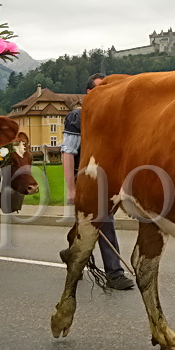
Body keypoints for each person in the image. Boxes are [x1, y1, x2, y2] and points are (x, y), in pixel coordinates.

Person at [61, 73, 136, 290]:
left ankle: (73, 256)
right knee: (104, 221)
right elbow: (68, 152)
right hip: (85, 178)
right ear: (89, 93)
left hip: (107, 177)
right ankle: (114, 274)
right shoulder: (78, 118)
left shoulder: (116, 117)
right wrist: (71, 189)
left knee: (85, 224)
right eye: (100, 89)